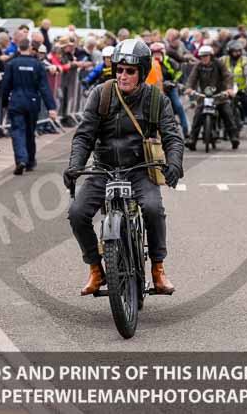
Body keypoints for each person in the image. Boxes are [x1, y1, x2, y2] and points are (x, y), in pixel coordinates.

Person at [63, 38, 184, 296]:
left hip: (140, 169)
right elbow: (84, 136)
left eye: (130, 71)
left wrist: (174, 163)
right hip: (104, 169)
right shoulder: (101, 94)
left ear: (141, 72)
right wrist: (75, 166)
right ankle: (96, 269)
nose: (123, 75)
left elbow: (172, 136)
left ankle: (158, 269)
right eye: (119, 70)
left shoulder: (155, 99)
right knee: (77, 213)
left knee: (153, 209)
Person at [0, 38, 58, 174]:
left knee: (18, 131)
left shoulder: (12, 64)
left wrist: (4, 103)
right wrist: (51, 108)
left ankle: (21, 159)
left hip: (17, 101)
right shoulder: (37, 65)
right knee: (30, 132)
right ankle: (30, 161)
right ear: (30, 48)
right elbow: (44, 88)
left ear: (19, 48)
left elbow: (5, 86)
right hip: (32, 102)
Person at [184, 45, 239, 150]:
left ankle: (234, 137)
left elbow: (228, 76)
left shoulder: (219, 64)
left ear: (211, 56)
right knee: (197, 115)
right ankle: (192, 139)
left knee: (227, 113)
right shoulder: (198, 66)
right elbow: (192, 78)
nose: (204, 58)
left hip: (220, 95)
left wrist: (229, 89)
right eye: (202, 56)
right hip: (205, 96)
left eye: (206, 56)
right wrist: (189, 88)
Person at [223, 40, 247, 140]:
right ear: (229, 51)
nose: (237, 53)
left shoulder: (244, 60)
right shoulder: (223, 60)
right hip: (226, 90)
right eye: (235, 51)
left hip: (240, 89)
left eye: (239, 51)